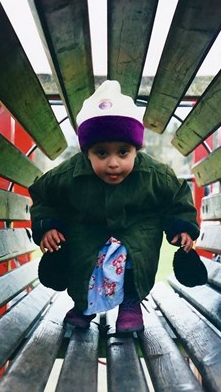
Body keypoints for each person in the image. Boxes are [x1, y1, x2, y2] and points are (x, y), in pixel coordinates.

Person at [29, 80, 200, 332]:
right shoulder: (68, 174)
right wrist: (47, 225)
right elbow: (43, 195)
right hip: (89, 231)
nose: (113, 163)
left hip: (137, 232)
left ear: (136, 149)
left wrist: (182, 226)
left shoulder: (154, 174)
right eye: (101, 153)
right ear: (86, 152)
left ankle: (130, 302)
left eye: (123, 152)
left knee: (130, 250)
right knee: (86, 256)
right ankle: (84, 305)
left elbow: (177, 198)